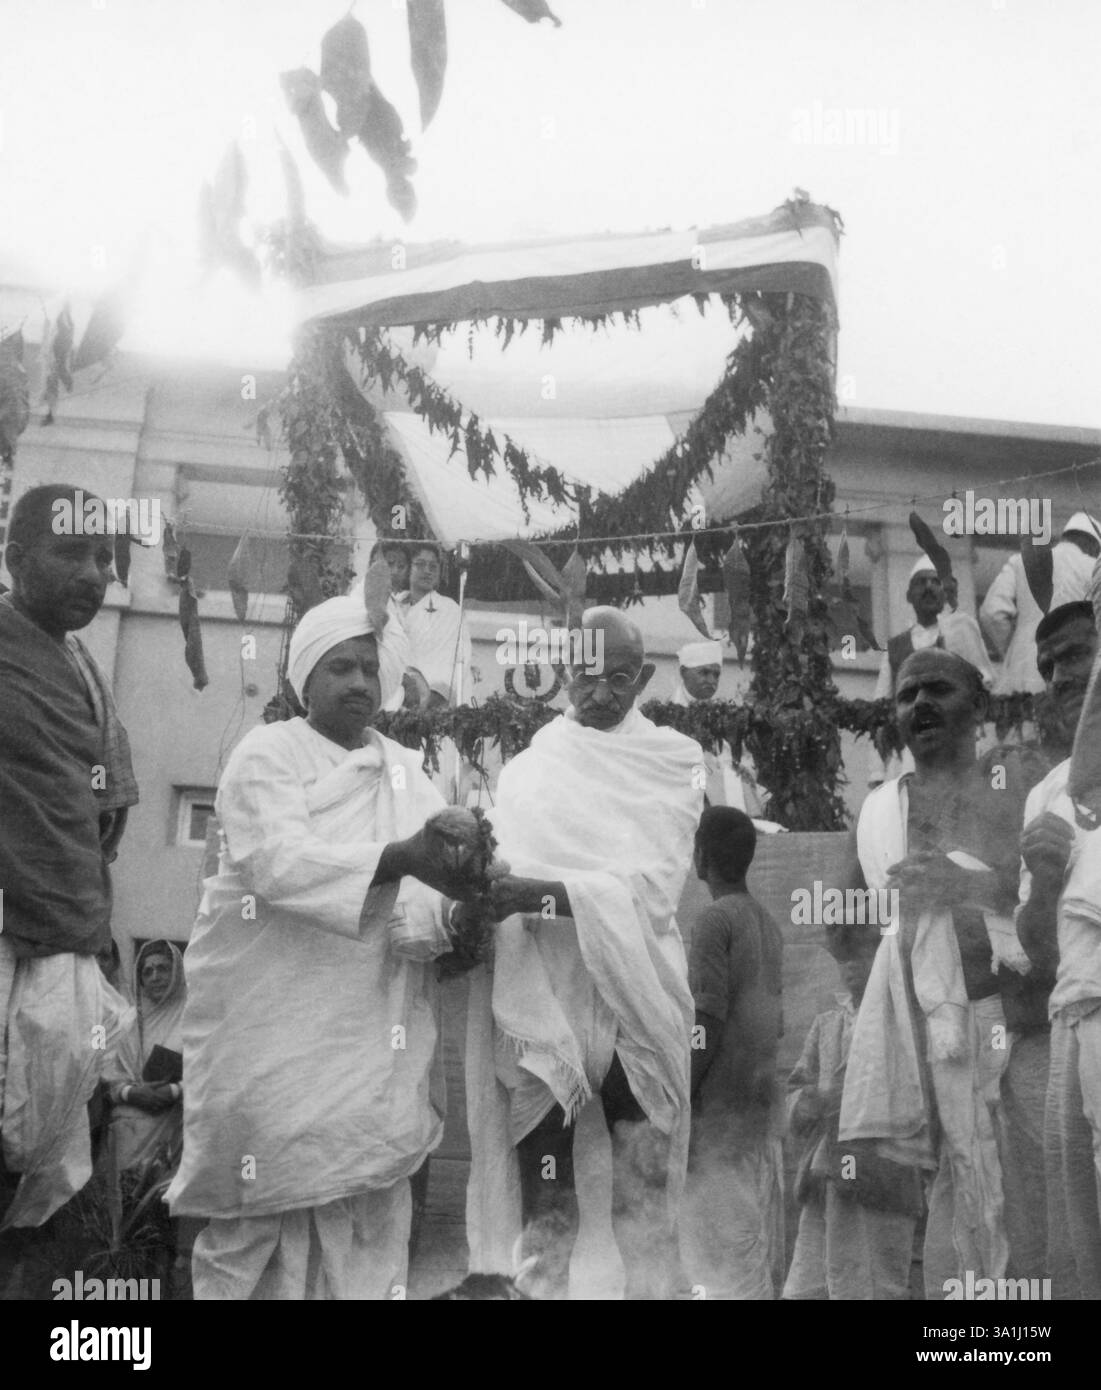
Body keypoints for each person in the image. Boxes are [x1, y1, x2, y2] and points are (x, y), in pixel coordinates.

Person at [166, 589, 489, 1300]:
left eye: (370, 671)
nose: (358, 684)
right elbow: (278, 865)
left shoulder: (408, 773)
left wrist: (464, 913)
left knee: (369, 1231)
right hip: (273, 1048)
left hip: (374, 1054)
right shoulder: (265, 754)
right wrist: (403, 857)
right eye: (340, 667)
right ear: (301, 678)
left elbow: (428, 907)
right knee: (255, 1233)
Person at [464, 606, 705, 1299]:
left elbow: (653, 892)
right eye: (586, 677)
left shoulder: (674, 760)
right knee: (547, 1189)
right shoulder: (529, 768)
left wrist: (533, 891)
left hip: (636, 985)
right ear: (564, 670)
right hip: (544, 986)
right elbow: (502, 874)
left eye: (619, 680)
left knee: (643, 1184)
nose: (600, 694)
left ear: (645, 678)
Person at [839, 648, 1027, 1299]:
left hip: (1014, 1030)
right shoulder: (879, 810)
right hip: (926, 1040)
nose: (918, 704)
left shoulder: (1015, 783)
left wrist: (964, 886)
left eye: (937, 690)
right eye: (906, 694)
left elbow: (1048, 898)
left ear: (977, 706)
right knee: (953, 1198)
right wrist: (894, 1021)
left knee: (1019, 1194)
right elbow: (848, 929)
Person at [0, 484, 136, 1283]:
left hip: (71, 943)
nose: (96, 574)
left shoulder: (85, 670)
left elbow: (100, 817)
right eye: (74, 553)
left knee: (46, 1171)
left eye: (107, 559)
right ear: (15, 560)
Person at [1015, 599, 1101, 1297]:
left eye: (1074, 654)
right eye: (1046, 665)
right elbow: (1037, 954)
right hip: (1069, 1021)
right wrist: (1044, 884)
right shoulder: (1047, 791)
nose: (1058, 675)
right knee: (1075, 1245)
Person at [783, 927, 922, 1300]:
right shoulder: (827, 1024)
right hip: (825, 1172)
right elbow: (797, 1090)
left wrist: (842, 1098)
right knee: (805, 1289)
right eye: (843, 957)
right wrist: (808, 1102)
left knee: (872, 1286)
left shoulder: (905, 1021)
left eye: (860, 954)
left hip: (880, 1175)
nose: (850, 967)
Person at [682, 807, 785, 1299]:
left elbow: (707, 1019)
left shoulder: (713, 920)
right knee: (747, 1235)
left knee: (721, 1247)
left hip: (719, 1110)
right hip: (758, 1103)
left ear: (703, 855)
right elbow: (772, 1021)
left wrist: (683, 1092)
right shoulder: (767, 923)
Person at [980, 513, 1101, 695]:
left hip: (1020, 678)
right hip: (1073, 679)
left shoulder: (1022, 561)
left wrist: (1015, 650)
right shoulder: (1093, 567)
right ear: (1093, 544)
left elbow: (991, 612)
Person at [104, 940, 186, 1176]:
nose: (154, 976)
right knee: (123, 1202)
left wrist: (173, 1091)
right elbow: (107, 1073)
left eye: (162, 968)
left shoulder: (194, 1019)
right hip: (127, 1130)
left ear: (178, 972)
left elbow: (210, 1073)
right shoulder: (126, 1023)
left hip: (174, 1128)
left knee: (161, 1204)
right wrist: (131, 1092)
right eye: (147, 971)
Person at [874, 556, 993, 703]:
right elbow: (881, 700)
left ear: (945, 595)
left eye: (936, 582)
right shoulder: (894, 648)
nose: (929, 587)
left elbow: (983, 686)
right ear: (909, 596)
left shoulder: (962, 634)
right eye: (921, 582)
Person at [672, 639, 766, 817]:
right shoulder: (669, 713)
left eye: (716, 675)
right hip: (688, 792)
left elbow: (739, 755)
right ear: (683, 673)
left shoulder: (722, 712)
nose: (711, 681)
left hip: (719, 787)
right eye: (704, 673)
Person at [396, 542, 474, 707]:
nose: (427, 571)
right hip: (393, 694)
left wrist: (432, 694)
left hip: (433, 699)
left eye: (433, 566)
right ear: (409, 568)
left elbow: (457, 657)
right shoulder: (394, 606)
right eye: (420, 564)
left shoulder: (449, 609)